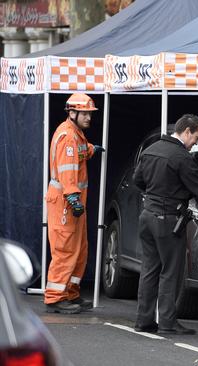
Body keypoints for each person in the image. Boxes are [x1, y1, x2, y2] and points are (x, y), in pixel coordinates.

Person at [132, 114, 198, 335]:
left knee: (149, 269)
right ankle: (167, 322)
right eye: (197, 137)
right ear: (186, 132)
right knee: (170, 271)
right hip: (169, 219)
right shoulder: (181, 157)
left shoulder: (150, 150)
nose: (197, 142)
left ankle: (144, 320)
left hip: (148, 215)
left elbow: (138, 180)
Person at [44, 93, 104, 314]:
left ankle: (70, 293)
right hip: (66, 202)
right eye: (85, 114)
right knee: (65, 250)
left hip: (73, 202)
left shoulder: (75, 134)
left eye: (90, 114)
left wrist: (91, 150)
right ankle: (55, 297)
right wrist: (72, 197)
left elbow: (79, 153)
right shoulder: (68, 137)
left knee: (79, 250)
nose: (89, 118)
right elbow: (67, 171)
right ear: (72, 113)